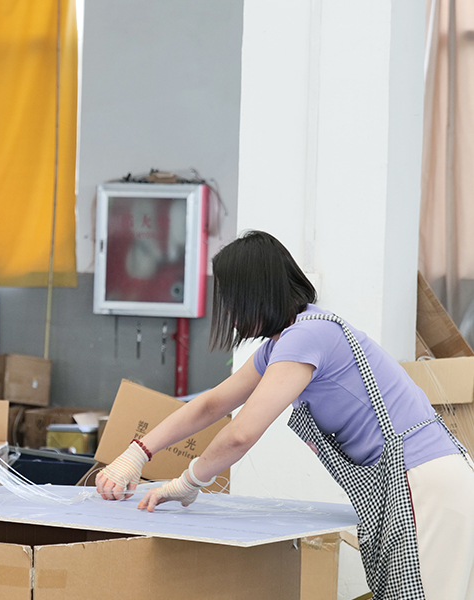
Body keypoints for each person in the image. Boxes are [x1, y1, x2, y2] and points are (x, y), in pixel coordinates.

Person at [96, 230, 474, 599]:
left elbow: (241, 433)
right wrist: (137, 453)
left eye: (231, 299)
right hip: (409, 483)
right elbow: (212, 404)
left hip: (424, 482)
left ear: (255, 293)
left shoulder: (308, 336)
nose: (228, 312)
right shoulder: (281, 345)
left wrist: (189, 480)